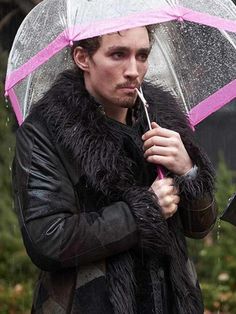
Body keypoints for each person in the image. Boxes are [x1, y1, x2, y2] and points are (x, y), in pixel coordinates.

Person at [12, 25, 217, 314]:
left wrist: (188, 170)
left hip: (171, 302)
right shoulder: (46, 133)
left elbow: (202, 226)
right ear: (83, 58)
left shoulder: (162, 120)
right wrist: (142, 212)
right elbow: (48, 239)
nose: (134, 70)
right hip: (89, 302)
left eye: (142, 55)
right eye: (118, 54)